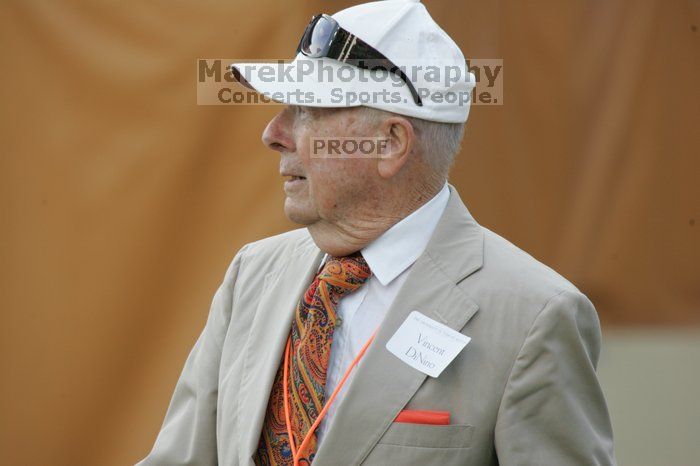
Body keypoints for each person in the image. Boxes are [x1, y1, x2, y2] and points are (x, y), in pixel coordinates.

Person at [137, 1, 616, 465]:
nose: (274, 132)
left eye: (307, 110)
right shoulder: (253, 274)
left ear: (390, 143)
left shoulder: (534, 314)